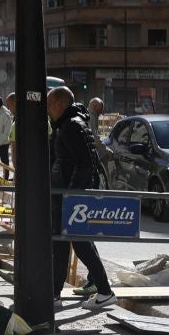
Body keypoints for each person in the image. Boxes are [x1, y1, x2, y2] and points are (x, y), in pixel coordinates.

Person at [46, 86, 116, 308]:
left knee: (78, 243)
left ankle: (104, 291)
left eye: (49, 105)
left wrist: (71, 195)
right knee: (65, 243)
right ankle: (56, 293)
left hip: (69, 195)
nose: (47, 110)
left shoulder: (71, 126)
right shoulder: (69, 124)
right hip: (66, 193)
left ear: (58, 104)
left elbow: (85, 163)